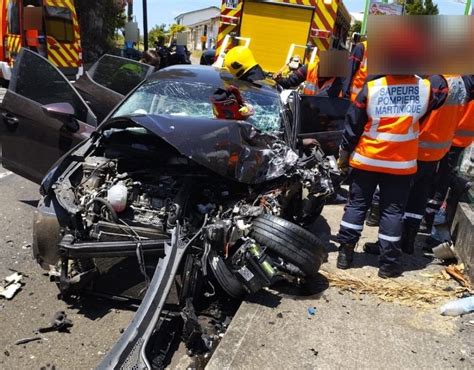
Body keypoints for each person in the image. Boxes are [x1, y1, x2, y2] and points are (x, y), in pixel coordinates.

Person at [335, 74, 448, 278]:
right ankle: (388, 265)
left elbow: (353, 123)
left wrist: (344, 151)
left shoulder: (373, 86)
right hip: (400, 163)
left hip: (367, 159)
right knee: (392, 212)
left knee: (357, 205)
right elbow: (442, 89)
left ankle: (345, 254)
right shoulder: (425, 88)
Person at [364, 75, 472, 256]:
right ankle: (408, 241)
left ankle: (388, 245)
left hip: (416, 148)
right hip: (437, 150)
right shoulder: (458, 82)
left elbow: (415, 113)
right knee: (418, 196)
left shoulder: (435, 81)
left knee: (397, 199)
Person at [423, 79, 474, 232]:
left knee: (436, 176)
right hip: (458, 136)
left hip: (448, 133)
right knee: (442, 175)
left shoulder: (462, 78)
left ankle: (427, 217)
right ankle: (428, 216)